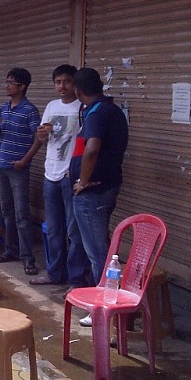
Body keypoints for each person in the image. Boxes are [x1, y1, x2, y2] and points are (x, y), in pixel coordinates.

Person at [29, 65, 91, 288]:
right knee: (54, 229)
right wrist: (41, 134)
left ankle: (76, 280)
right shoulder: (51, 106)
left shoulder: (83, 107)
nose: (62, 86)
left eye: (66, 81)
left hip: (69, 175)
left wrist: (77, 172)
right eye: (58, 82)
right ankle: (55, 274)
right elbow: (44, 137)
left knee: (74, 232)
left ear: (75, 84)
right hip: (50, 173)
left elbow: (87, 143)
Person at [70, 67, 129, 289]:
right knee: (97, 246)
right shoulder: (110, 110)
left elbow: (92, 149)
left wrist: (83, 181)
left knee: (97, 253)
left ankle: (103, 304)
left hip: (93, 192)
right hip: (104, 187)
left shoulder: (96, 113)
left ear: (78, 90)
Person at [0, 67, 42, 276]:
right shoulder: (4, 108)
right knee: (7, 212)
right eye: (7, 81)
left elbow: (39, 138)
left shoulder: (30, 110)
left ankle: (28, 258)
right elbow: (0, 136)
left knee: (22, 215)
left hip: (18, 168)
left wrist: (24, 161)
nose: (7, 86)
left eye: (11, 83)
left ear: (22, 87)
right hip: (2, 166)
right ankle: (10, 250)